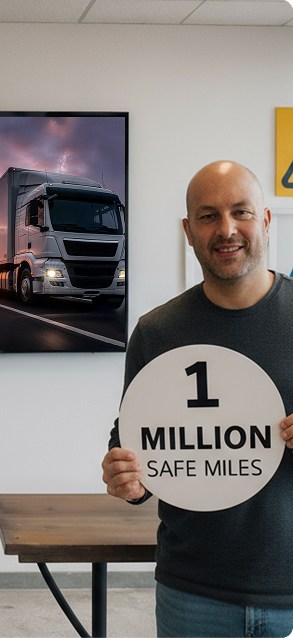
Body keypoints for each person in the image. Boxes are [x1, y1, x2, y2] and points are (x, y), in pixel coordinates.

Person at [102, 160, 293, 638]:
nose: (226, 230)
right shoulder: (158, 332)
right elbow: (134, 443)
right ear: (189, 231)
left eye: (241, 212)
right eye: (208, 216)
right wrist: (125, 477)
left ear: (266, 220)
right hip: (193, 594)